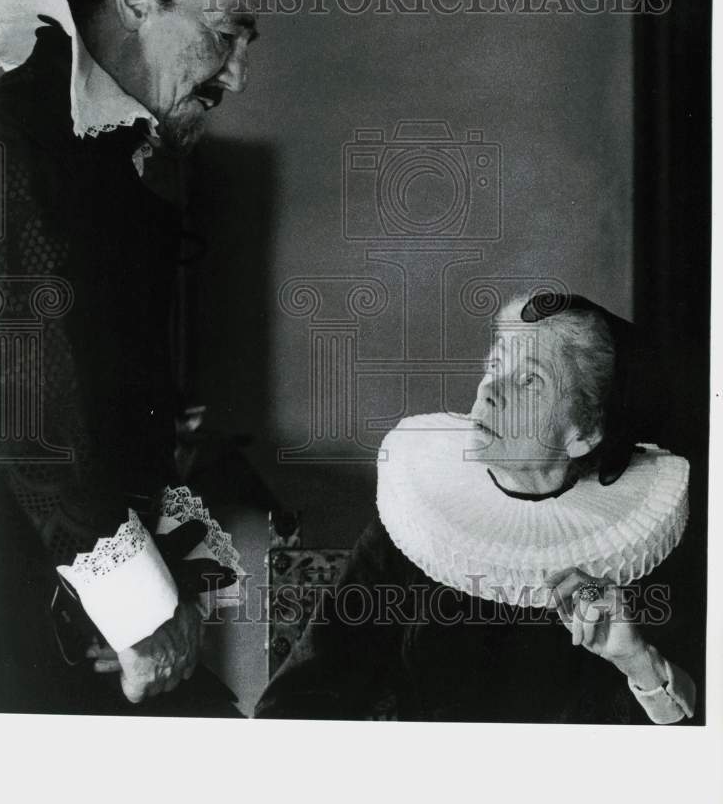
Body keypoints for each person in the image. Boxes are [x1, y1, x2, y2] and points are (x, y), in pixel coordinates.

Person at [0, 0, 259, 715]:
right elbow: (31, 405)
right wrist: (139, 614)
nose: (235, 73)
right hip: (5, 598)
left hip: (83, 603)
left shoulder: (104, 156)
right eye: (225, 36)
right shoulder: (5, 140)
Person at [255, 293, 698, 723]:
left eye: (530, 381)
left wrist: (637, 661)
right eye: (494, 365)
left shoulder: (629, 549)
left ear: (583, 432)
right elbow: (294, 705)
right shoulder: (420, 525)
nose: (489, 389)